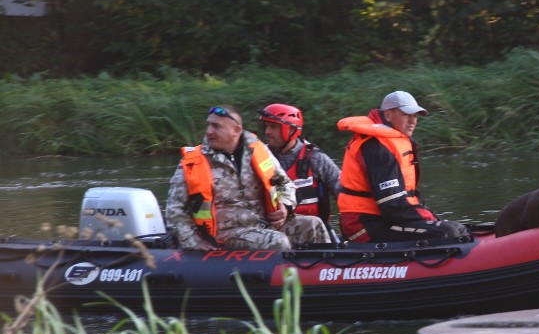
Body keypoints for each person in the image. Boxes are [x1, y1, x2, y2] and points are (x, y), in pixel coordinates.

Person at [165, 105, 330, 250]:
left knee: (313, 224)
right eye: (208, 125)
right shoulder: (192, 162)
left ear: (236, 130)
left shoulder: (258, 151)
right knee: (276, 242)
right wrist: (192, 241)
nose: (209, 131)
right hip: (225, 234)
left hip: (264, 225)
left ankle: (329, 275)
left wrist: (285, 207)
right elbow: (175, 210)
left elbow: (284, 183)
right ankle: (285, 282)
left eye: (216, 126)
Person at [336, 90, 468, 243]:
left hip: (387, 218)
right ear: (388, 115)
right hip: (365, 225)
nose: (412, 121)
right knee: (447, 233)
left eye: (415, 116)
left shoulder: (393, 141)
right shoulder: (377, 147)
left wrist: (427, 216)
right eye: (406, 115)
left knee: (458, 229)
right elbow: (391, 204)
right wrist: (425, 216)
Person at [258, 103, 341, 229]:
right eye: (266, 126)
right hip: (271, 230)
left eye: (273, 127)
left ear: (290, 130)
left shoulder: (316, 158)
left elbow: (343, 192)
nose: (267, 132)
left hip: (312, 231)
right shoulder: (259, 157)